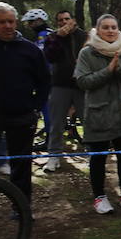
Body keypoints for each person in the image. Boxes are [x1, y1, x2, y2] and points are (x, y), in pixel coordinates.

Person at [74, 14, 121, 214]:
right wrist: (107, 70)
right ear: (98, 30)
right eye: (106, 27)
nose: (111, 30)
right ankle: (99, 197)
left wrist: (118, 68)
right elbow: (83, 82)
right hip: (99, 115)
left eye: (114, 27)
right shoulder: (87, 53)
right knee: (98, 158)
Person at [0, 2, 50, 208]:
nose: (7, 26)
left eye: (11, 21)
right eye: (2, 22)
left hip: (22, 115)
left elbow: (44, 81)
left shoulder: (30, 49)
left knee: (21, 165)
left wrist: (35, 107)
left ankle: (21, 208)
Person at [42, 10, 87, 173]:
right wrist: (59, 37)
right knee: (56, 122)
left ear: (73, 20)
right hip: (60, 84)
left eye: (67, 19)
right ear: (57, 22)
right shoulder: (52, 37)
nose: (64, 22)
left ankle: (92, 153)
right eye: (60, 20)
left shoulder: (85, 35)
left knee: (88, 120)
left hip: (82, 85)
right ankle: (54, 155)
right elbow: (49, 57)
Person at [21, 8, 52, 151]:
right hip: (55, 76)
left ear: (38, 21)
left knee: (47, 110)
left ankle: (50, 141)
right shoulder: (50, 32)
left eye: (31, 22)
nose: (29, 25)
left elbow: (41, 58)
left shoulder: (43, 35)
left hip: (49, 78)